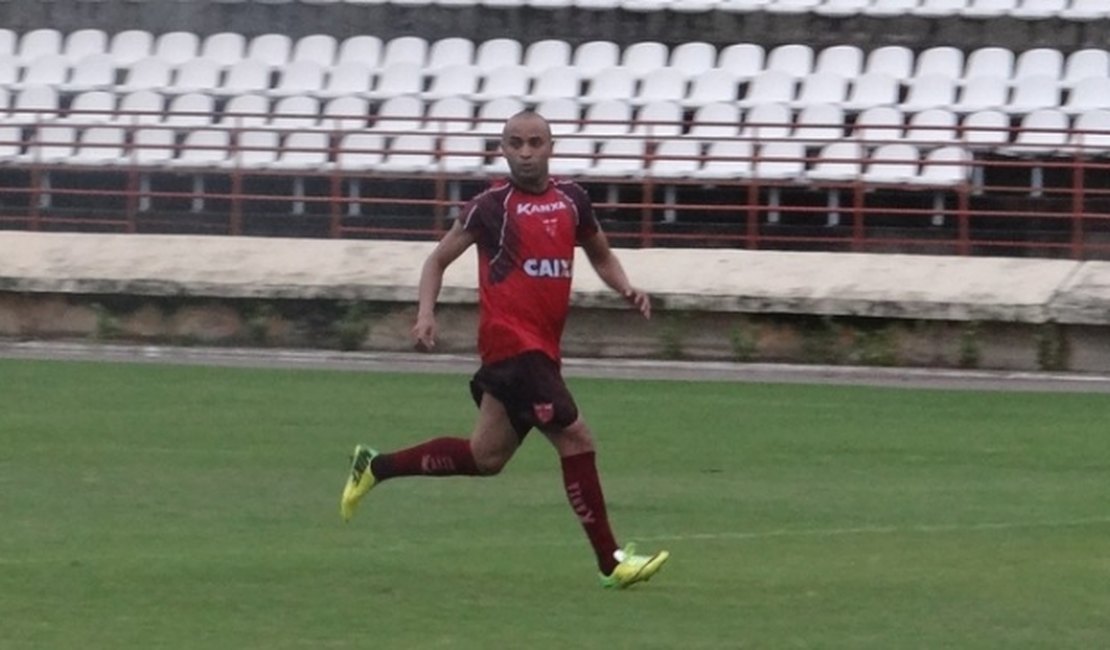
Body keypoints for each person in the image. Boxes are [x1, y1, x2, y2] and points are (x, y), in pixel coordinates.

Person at [340, 109, 669, 589]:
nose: (526, 152)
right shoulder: (490, 206)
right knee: (577, 438)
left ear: (551, 147)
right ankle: (611, 562)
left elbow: (600, 252)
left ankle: (376, 465)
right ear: (503, 149)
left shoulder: (573, 200)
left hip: (539, 351)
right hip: (513, 348)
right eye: (515, 143)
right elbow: (436, 260)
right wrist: (425, 313)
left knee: (485, 457)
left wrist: (625, 286)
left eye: (535, 142)